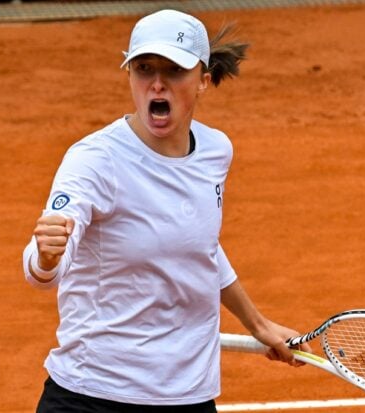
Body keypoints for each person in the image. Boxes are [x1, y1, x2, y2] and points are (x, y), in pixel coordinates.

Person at [22, 9, 312, 413]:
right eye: (144, 69)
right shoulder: (94, 159)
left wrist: (258, 324)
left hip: (187, 396)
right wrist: (47, 256)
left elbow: (200, 247)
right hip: (94, 394)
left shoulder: (215, 151)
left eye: (174, 70)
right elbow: (43, 269)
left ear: (203, 81)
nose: (157, 84)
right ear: (129, 77)